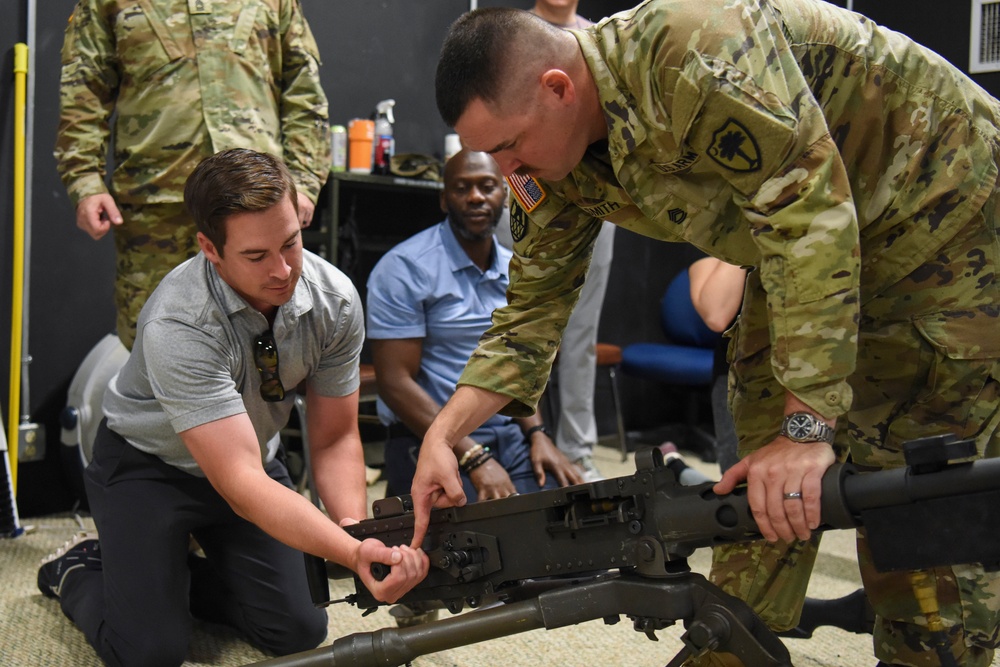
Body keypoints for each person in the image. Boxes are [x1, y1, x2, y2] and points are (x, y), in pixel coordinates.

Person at [414, 3, 1000, 666]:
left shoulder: (694, 52)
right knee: (758, 483)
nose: (504, 167)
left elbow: (811, 217)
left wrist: (809, 431)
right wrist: (445, 434)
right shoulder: (546, 157)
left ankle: (934, 645)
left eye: (511, 143)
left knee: (916, 484)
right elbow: (530, 309)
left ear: (558, 87)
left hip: (947, 223)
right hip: (809, 248)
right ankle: (735, 640)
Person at [37, 149, 428, 667]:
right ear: (210, 248)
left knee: (298, 629)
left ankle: (168, 581)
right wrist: (350, 553)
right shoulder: (178, 323)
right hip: (148, 468)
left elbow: (333, 437)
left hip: (251, 462)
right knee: (150, 652)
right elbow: (239, 481)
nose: (283, 269)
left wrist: (355, 532)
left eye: (291, 242)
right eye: (256, 255)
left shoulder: (334, 301)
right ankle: (81, 567)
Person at [55, 0, 331, 350]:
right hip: (156, 214)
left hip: (257, 211)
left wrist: (304, 181)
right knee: (153, 344)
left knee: (267, 341)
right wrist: (85, 180)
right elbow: (84, 88)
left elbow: (303, 89)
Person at [367, 149, 583, 502]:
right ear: (443, 199)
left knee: (561, 515)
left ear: (505, 194)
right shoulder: (404, 269)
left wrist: (539, 434)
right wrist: (473, 455)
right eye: (462, 188)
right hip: (427, 435)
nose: (476, 198)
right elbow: (395, 383)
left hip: (506, 429)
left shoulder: (519, 269)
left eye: (486, 186)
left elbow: (520, 361)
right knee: (471, 538)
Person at [524, 0, 617, 484]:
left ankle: (578, 450)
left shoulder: (601, 38)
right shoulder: (515, 35)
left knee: (580, 332)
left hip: (599, 198)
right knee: (524, 318)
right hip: (529, 193)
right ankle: (528, 437)